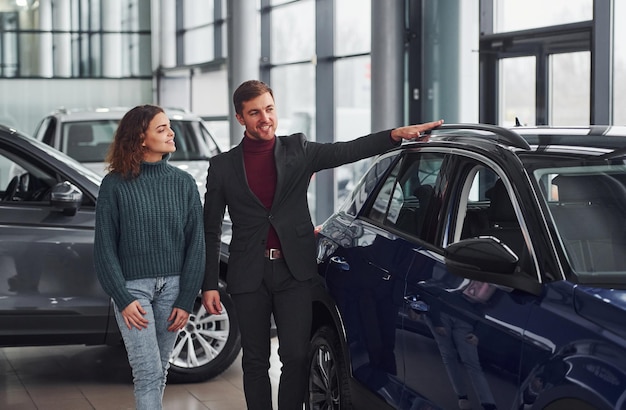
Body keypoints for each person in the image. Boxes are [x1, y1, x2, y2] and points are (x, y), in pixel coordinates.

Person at [201, 79, 443, 410]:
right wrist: (209, 283)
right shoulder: (223, 167)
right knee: (255, 361)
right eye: (254, 113)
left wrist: (394, 135)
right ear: (240, 118)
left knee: (296, 356)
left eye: (269, 109)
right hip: (248, 274)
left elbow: (348, 149)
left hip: (294, 271)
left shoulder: (298, 150)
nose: (265, 118)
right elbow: (210, 228)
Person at [94, 104, 205, 410]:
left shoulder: (183, 183)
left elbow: (196, 245)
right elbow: (104, 248)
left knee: (160, 369)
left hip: (173, 288)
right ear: (141, 138)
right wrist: (121, 296)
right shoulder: (114, 185)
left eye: (169, 127)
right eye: (161, 129)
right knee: (147, 371)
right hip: (133, 291)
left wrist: (186, 299)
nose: (171, 133)